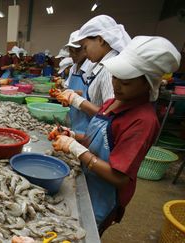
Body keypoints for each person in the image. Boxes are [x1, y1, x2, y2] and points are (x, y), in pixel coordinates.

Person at [51, 36, 181, 234]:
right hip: (89, 179)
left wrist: (75, 149)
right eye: (115, 77)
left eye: (126, 82)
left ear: (149, 83)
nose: (117, 86)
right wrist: (71, 135)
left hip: (104, 194)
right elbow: (94, 139)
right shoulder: (114, 102)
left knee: (85, 232)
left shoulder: (143, 121)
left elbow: (120, 177)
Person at [57, 15, 131, 133]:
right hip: (89, 131)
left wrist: (76, 100)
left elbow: (109, 115)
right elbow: (94, 96)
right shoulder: (98, 65)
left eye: (85, 47)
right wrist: (72, 94)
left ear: (100, 40)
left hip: (99, 133)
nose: (85, 52)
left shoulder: (110, 69)